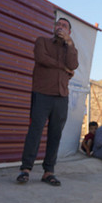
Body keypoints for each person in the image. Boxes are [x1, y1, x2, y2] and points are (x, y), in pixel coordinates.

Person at [16, 17, 79, 187]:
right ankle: (26, 169)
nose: (59, 27)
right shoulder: (42, 42)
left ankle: (48, 172)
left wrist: (70, 44)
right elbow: (41, 58)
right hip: (42, 93)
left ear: (69, 32)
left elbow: (73, 65)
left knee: (55, 134)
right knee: (35, 131)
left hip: (61, 97)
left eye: (64, 26)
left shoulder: (70, 49)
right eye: (58, 24)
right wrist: (63, 68)